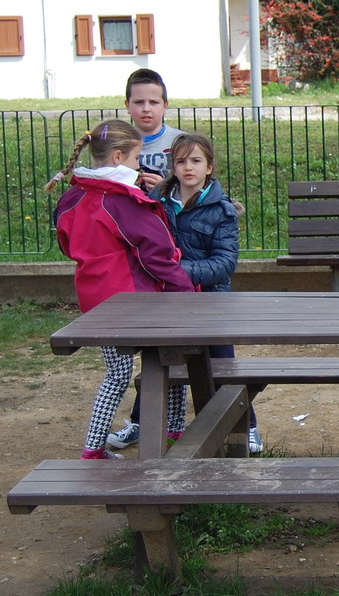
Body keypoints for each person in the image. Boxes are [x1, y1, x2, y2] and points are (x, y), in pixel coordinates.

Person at [48, 119, 196, 460]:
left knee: (116, 373)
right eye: (134, 158)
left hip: (95, 299)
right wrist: (185, 291)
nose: (137, 165)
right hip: (136, 301)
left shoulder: (73, 196)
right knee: (169, 359)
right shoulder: (122, 201)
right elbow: (156, 254)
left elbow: (66, 243)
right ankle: (173, 430)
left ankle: (93, 447)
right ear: (117, 157)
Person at [108, 133, 263, 454]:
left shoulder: (221, 210)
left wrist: (177, 271)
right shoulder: (157, 202)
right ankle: (143, 422)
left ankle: (247, 426)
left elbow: (224, 263)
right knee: (160, 361)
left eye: (196, 161)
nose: (188, 167)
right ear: (172, 167)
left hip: (210, 302)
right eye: (181, 161)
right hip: (169, 302)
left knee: (223, 366)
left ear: (209, 167)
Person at [124, 68, 185, 191]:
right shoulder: (117, 143)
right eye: (139, 102)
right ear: (127, 105)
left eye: (153, 102)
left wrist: (166, 190)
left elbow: (197, 188)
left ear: (165, 106)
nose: (146, 108)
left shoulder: (183, 142)